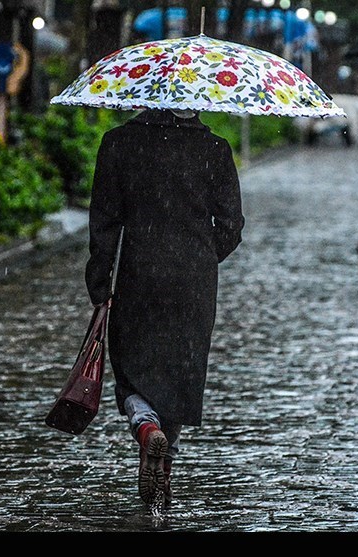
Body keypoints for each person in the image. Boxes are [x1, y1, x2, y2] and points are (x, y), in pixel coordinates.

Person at [85, 108, 244, 512]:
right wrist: (202, 256)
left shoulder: (118, 143)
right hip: (193, 280)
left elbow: (103, 221)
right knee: (180, 371)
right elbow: (231, 225)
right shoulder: (215, 149)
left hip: (138, 272)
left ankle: (146, 427)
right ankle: (164, 466)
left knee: (132, 368)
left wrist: (100, 280)